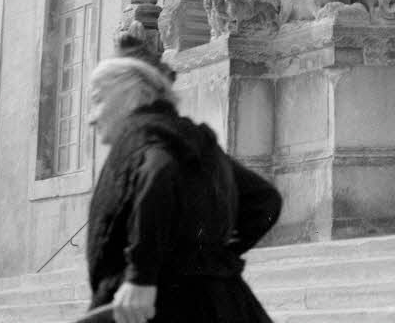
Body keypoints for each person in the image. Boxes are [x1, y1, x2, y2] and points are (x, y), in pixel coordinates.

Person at [85, 32, 281, 323]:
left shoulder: (140, 134)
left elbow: (159, 172)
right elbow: (264, 200)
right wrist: (209, 258)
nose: (91, 117)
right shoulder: (193, 140)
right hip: (220, 301)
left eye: (98, 99)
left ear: (136, 94)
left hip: (154, 306)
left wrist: (141, 276)